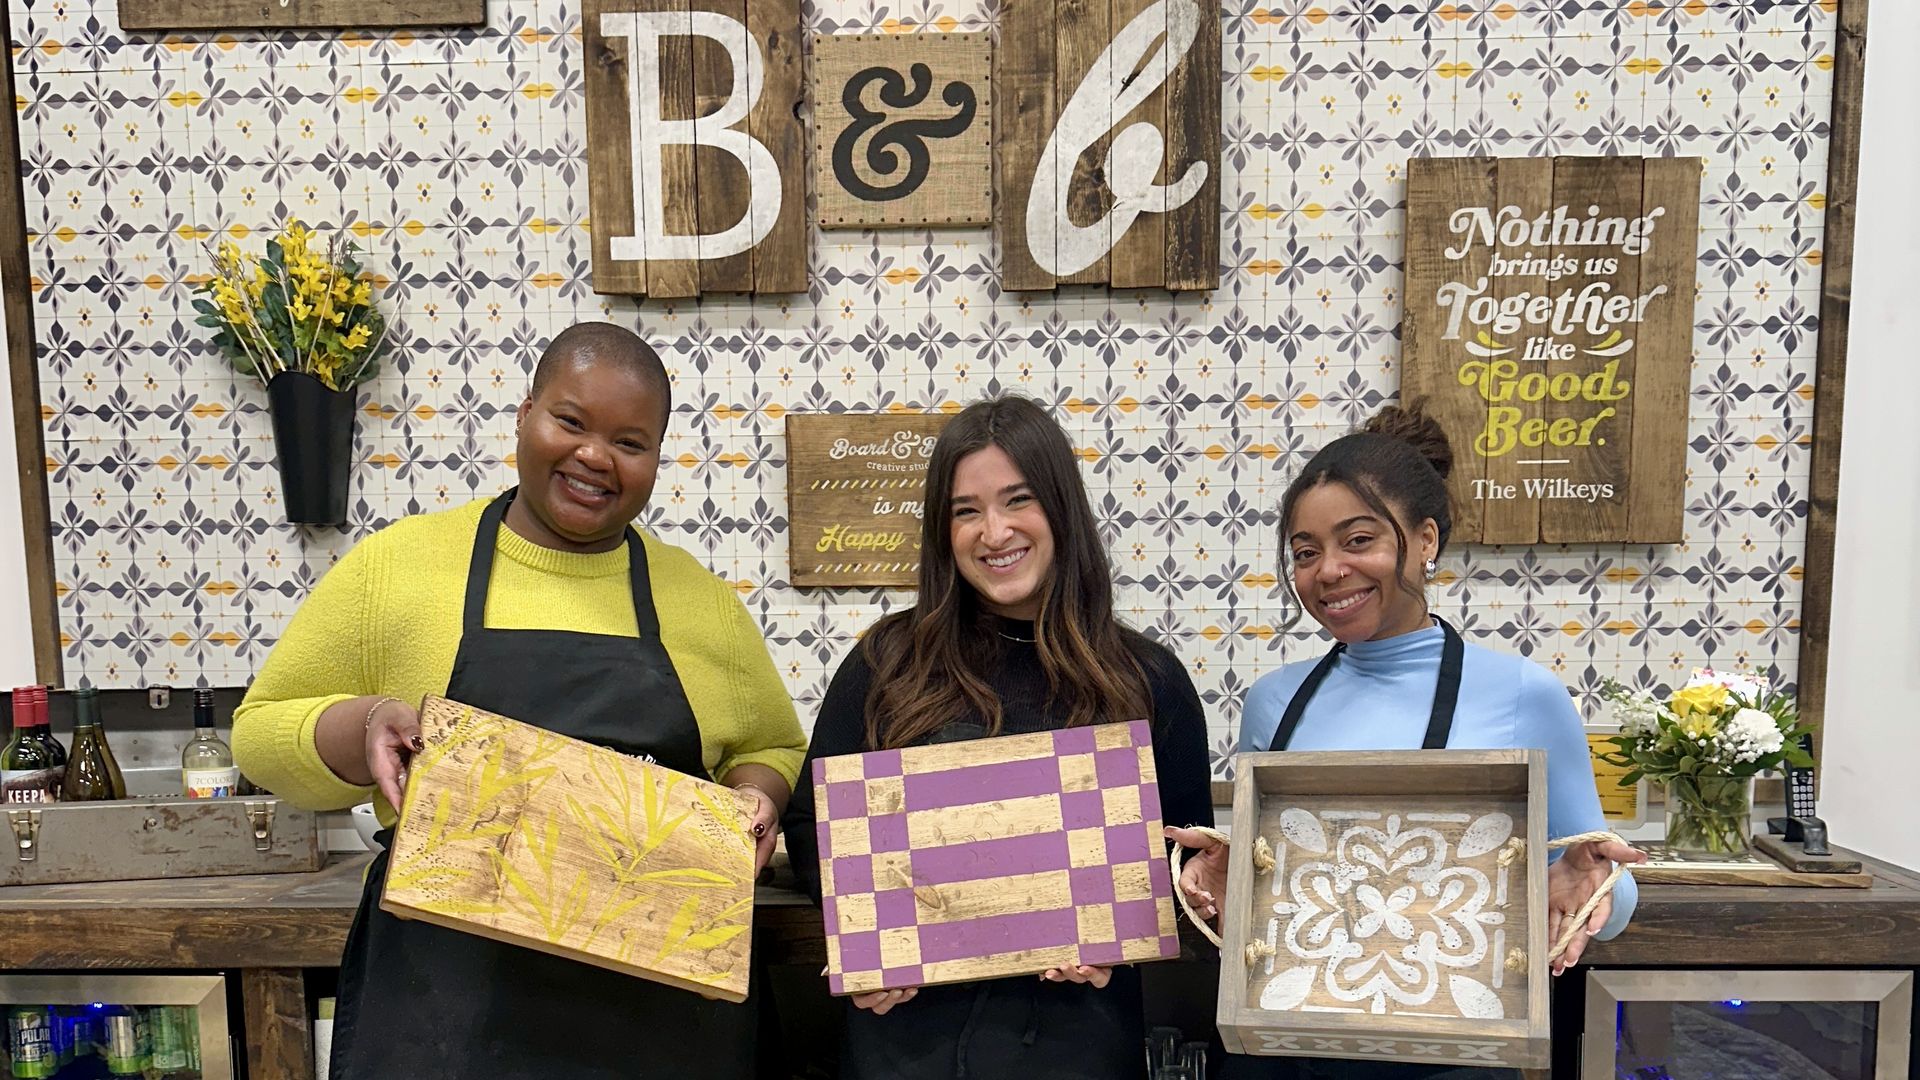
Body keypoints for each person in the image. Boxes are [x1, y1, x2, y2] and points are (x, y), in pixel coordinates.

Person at [232, 322, 806, 1080]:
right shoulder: (398, 569)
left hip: (662, 1010)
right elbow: (260, 732)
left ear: (656, 461)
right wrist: (363, 726)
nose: (595, 456)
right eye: (570, 421)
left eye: (630, 442)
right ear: (525, 412)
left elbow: (771, 747)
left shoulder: (702, 605)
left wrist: (754, 800)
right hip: (448, 999)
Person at [1172, 406, 1645, 1080]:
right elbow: (1268, 883)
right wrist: (1221, 881)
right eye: (1305, 552)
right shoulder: (1272, 703)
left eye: (1357, 540)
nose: (1328, 570)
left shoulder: (1523, 694)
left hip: (1450, 1054)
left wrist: (1588, 885)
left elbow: (1606, 896)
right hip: (1281, 1051)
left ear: (1426, 540)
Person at [782, 394, 1214, 1079]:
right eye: (965, 511)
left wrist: (1128, 928)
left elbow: (1183, 861)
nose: (994, 531)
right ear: (941, 530)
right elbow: (812, 829)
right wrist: (865, 936)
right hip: (904, 1042)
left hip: (1079, 1044)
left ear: (1061, 509)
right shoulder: (885, 664)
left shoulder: (1146, 678)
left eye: (1018, 500)